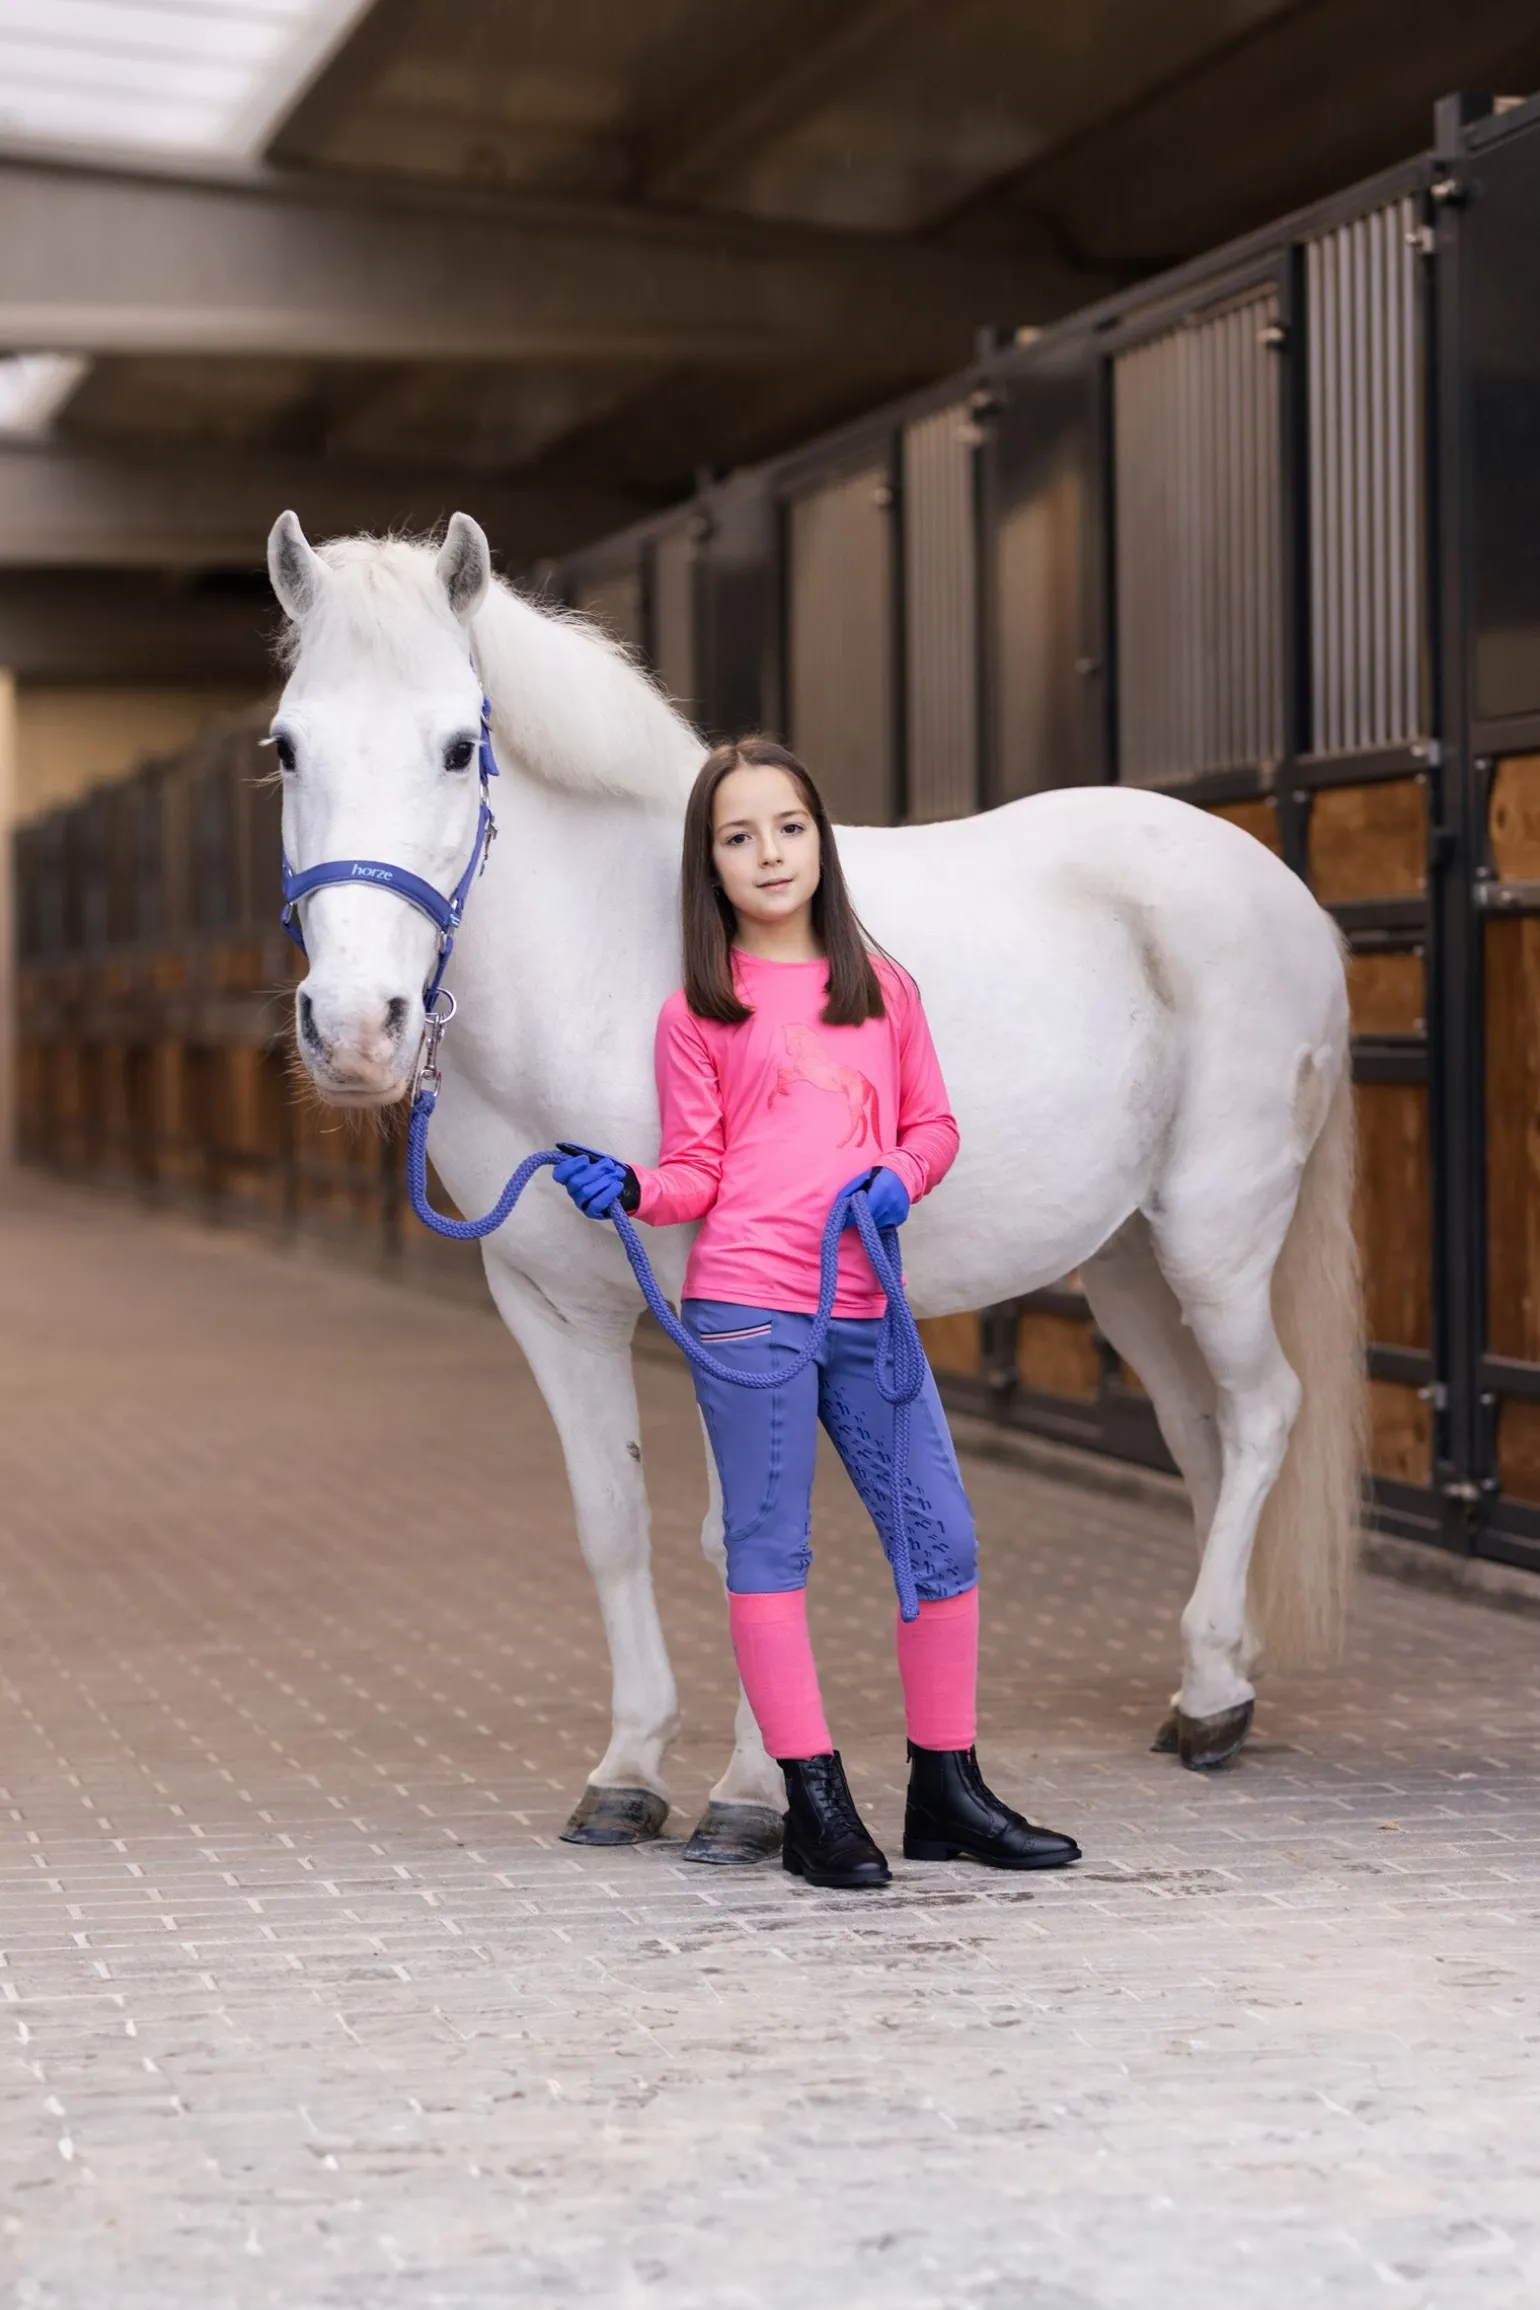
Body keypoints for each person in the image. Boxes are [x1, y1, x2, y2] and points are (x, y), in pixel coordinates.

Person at [553, 736, 1081, 1889]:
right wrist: (636, 1188)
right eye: (737, 837)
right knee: (768, 1552)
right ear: (711, 867)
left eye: (787, 826)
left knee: (941, 1543)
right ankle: (814, 1803)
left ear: (820, 839)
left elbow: (933, 1124)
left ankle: (947, 1790)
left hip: (865, 1306)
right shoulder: (698, 1013)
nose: (768, 853)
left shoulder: (882, 989)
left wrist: (902, 1173)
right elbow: (696, 1168)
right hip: (748, 1308)